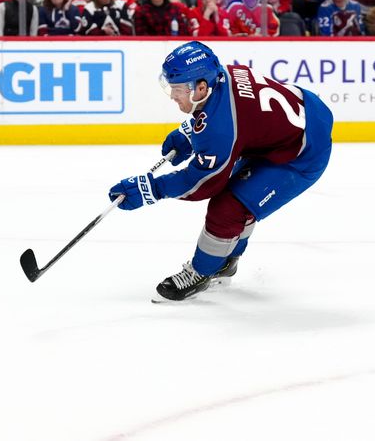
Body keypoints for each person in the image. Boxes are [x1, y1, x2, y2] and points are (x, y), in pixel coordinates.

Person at [108, 41, 333, 301]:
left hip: (302, 155)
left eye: (178, 89)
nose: (172, 95)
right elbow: (233, 114)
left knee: (229, 206)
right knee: (238, 194)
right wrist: (190, 133)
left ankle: (202, 271)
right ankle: (226, 260)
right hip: (294, 127)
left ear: (200, 87)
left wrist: (152, 189)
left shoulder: (221, 129)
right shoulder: (221, 74)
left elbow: (202, 183)